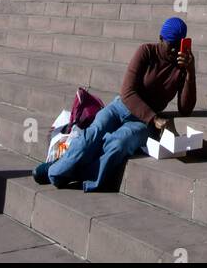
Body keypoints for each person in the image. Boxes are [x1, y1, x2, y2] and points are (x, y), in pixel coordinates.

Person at [35, 17, 197, 193]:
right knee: (93, 134)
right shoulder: (146, 52)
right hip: (121, 107)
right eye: (171, 44)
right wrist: (154, 117)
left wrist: (190, 72)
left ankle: (73, 172)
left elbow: (185, 109)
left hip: (143, 123)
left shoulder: (181, 66)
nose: (174, 49)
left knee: (119, 143)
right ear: (160, 39)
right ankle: (57, 171)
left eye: (179, 44)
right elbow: (128, 92)